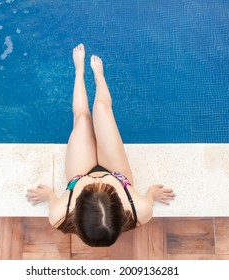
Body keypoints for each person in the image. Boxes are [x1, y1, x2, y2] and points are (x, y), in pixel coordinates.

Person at [26, 44, 175, 247]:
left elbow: (52, 200)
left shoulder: (59, 215)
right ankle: (99, 77)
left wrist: (49, 195)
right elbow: (148, 198)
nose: (97, 182)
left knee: (82, 118)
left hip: (79, 172)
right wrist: (151, 194)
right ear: (122, 210)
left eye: (89, 190)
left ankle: (79, 71)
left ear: (75, 211)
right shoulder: (141, 210)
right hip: (116, 171)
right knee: (101, 109)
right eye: (105, 189)